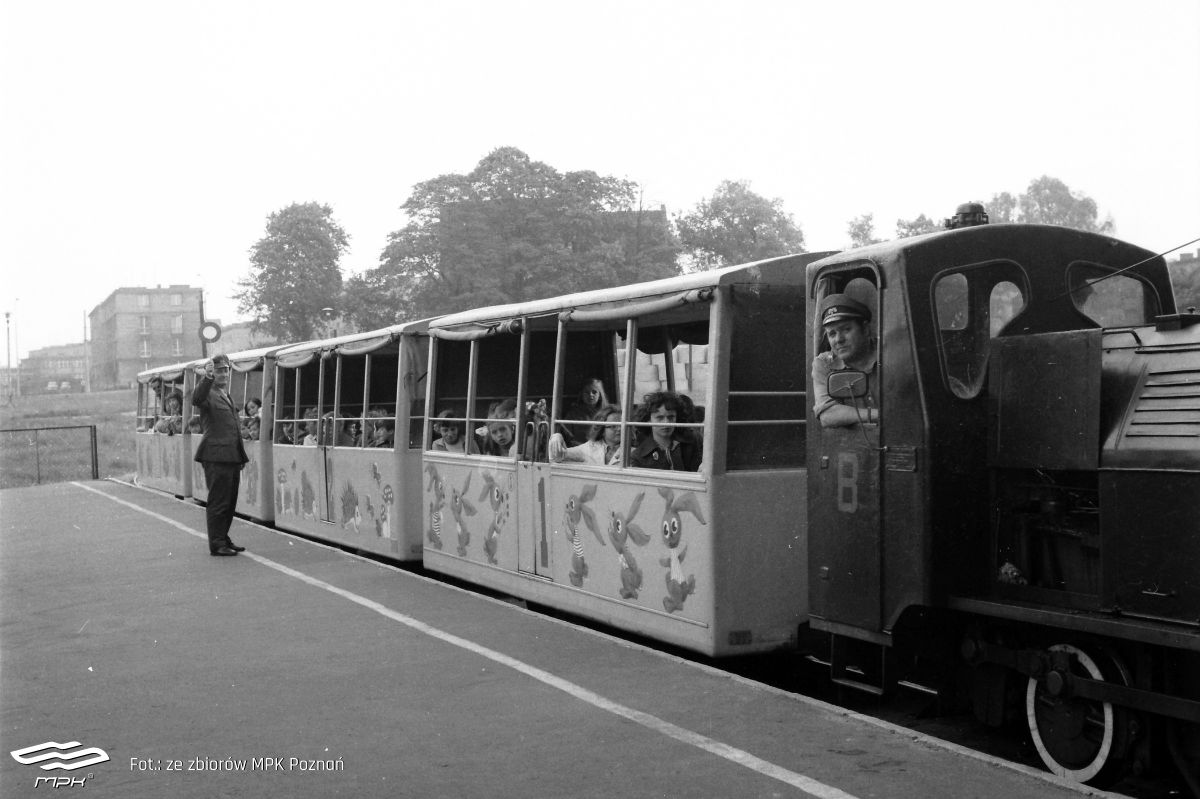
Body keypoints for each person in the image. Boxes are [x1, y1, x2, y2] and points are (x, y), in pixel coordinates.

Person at [192, 354, 249, 556]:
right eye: (219, 370)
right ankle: (217, 544)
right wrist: (206, 378)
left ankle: (223, 537)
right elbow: (196, 398)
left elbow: (233, 428)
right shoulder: (208, 393)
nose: (223, 373)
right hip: (215, 456)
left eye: (225, 370)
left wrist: (240, 456)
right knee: (219, 501)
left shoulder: (225, 394)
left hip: (231, 456)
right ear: (212, 373)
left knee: (230, 501)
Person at [811, 294, 879, 428]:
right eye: (832, 334)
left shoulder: (890, 352)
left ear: (865, 329)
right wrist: (882, 416)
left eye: (846, 329)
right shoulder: (825, 363)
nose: (838, 339)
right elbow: (828, 415)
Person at [629, 391, 702, 471]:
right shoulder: (638, 456)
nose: (666, 423)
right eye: (659, 418)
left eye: (671, 417)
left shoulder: (690, 443)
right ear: (648, 420)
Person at [547, 404, 623, 466]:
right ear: (602, 430)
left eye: (621, 425)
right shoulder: (590, 447)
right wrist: (556, 437)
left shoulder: (631, 450)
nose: (619, 429)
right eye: (613, 426)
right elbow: (557, 457)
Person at [560, 377, 608, 445]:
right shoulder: (573, 414)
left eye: (594, 392)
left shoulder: (607, 413)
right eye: (587, 392)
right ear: (582, 394)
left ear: (600, 395)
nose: (590, 395)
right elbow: (567, 436)